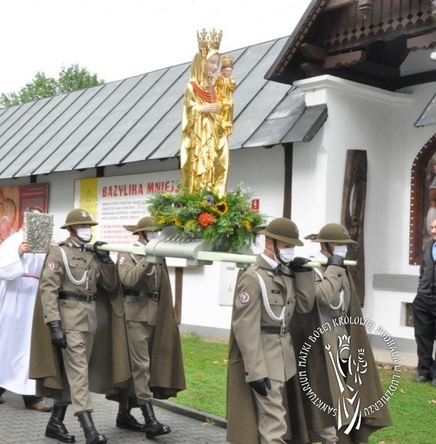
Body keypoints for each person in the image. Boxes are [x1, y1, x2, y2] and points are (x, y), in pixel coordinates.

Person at [29, 208, 131, 444]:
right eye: (84, 227)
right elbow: (48, 290)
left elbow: (110, 284)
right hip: (68, 320)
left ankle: (55, 423)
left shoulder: (93, 255)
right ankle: (89, 430)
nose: (88, 231)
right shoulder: (58, 253)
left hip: (90, 320)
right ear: (72, 229)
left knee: (74, 374)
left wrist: (106, 261)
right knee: (78, 375)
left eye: (90, 227)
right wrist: (54, 324)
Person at [299, 223, 392, 443]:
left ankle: (344, 438)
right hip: (321, 347)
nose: (343, 249)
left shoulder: (341, 268)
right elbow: (323, 299)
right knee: (326, 399)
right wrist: (333, 268)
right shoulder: (313, 269)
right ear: (325, 245)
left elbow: (347, 305)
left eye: (345, 245)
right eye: (338, 244)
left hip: (343, 345)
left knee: (346, 398)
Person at [226, 217, 316, 444]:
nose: (291, 251)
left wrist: (303, 274)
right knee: (274, 423)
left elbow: (304, 306)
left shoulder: (285, 273)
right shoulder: (253, 277)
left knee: (277, 419)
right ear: (270, 243)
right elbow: (244, 328)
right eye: (287, 246)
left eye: (292, 246)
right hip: (265, 359)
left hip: (284, 358)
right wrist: (255, 370)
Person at [113, 216, 186, 439]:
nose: (156, 236)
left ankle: (124, 413)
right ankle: (149, 418)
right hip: (135, 315)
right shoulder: (128, 253)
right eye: (152, 232)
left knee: (144, 366)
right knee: (140, 366)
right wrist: (148, 258)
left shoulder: (159, 256)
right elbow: (129, 280)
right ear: (142, 234)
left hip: (155, 315)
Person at [0, 206, 52, 412]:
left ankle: (32, 397)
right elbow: (2, 270)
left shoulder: (45, 242)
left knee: (30, 346)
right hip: (14, 295)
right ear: (25, 220)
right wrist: (19, 253)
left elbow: (51, 270)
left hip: (34, 296)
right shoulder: (12, 242)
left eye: (40, 219)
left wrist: (54, 252)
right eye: (33, 218)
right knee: (8, 342)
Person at [180, 27, 229, 195]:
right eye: (212, 62)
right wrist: (203, 109)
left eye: (217, 63)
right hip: (199, 136)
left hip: (213, 136)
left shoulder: (213, 89)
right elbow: (189, 111)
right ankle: (197, 194)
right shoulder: (191, 87)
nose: (215, 67)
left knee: (214, 163)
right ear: (202, 62)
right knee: (199, 162)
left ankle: (213, 195)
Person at [413, 217, 436, 386]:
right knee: (423, 337)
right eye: (432, 227)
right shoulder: (428, 246)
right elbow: (423, 271)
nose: (433, 231)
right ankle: (424, 372)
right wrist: (420, 291)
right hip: (423, 299)